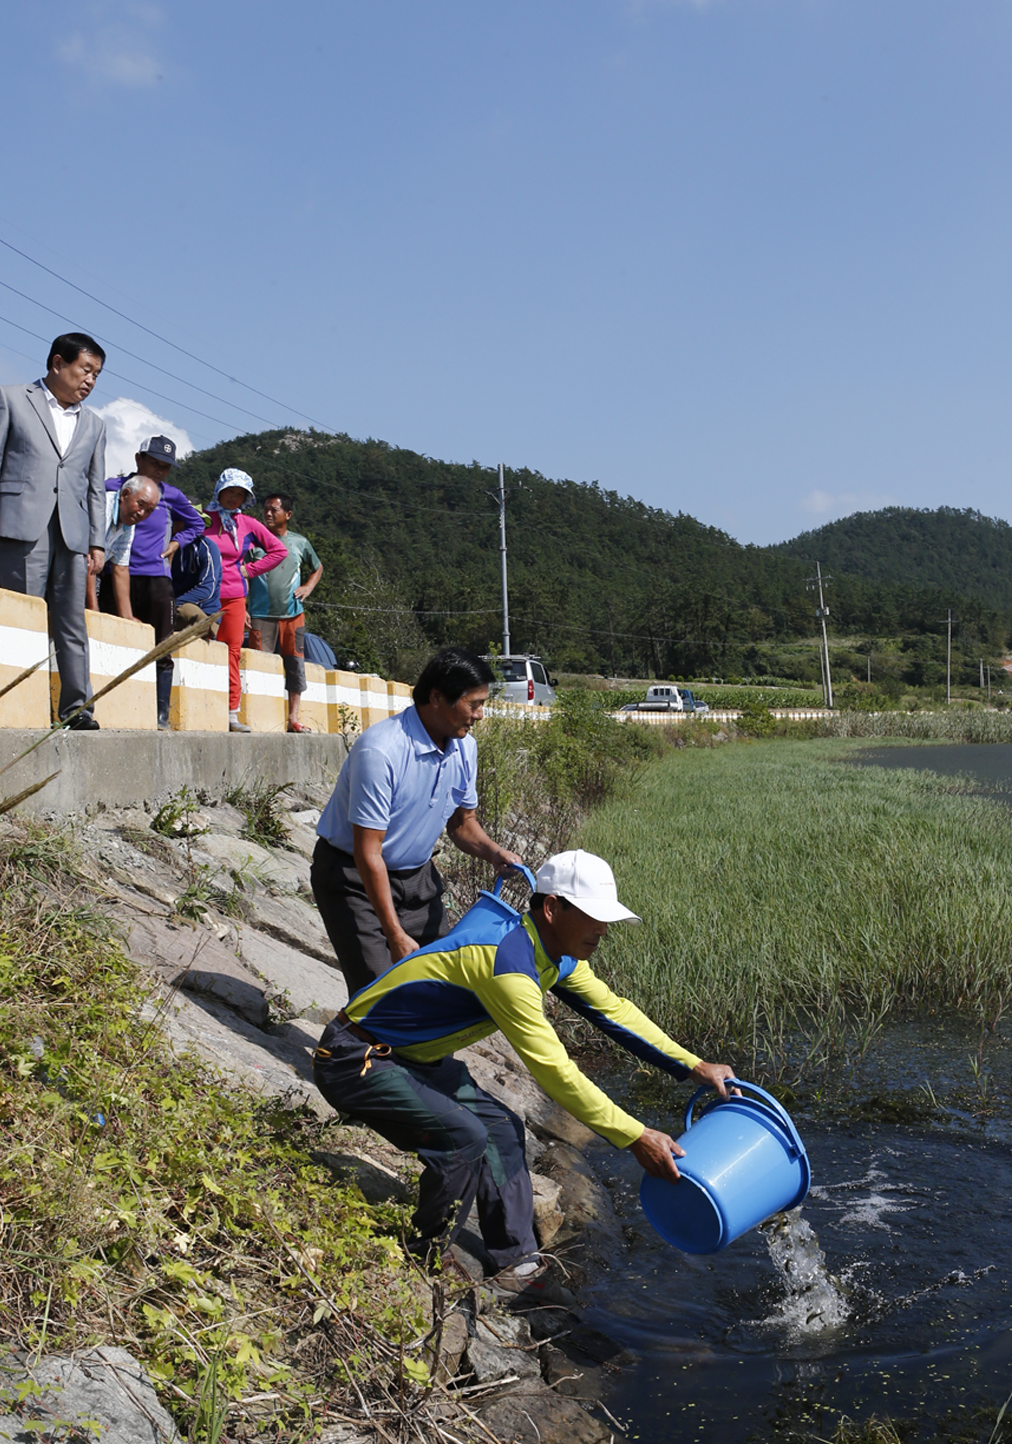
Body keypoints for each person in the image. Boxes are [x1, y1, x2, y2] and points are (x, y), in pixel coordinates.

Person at [313, 848, 739, 1287]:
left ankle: (515, 1263)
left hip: (413, 1060)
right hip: (356, 1058)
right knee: (464, 1137)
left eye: (607, 918)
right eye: (593, 916)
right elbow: (556, 1071)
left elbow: (615, 1012)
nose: (603, 929)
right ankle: (420, 1260)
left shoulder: (553, 952)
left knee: (500, 1128)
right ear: (552, 908)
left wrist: (695, 1065)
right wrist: (635, 1137)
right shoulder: (507, 964)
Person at [311, 646, 522, 995]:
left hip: (417, 879)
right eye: (474, 704)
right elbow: (369, 853)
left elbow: (462, 823)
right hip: (354, 879)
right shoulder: (382, 751)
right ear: (437, 697)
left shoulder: (463, 747)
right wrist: (394, 933)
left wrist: (493, 852)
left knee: (440, 988)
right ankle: (351, 1047)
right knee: (381, 995)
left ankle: (410, 1050)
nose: (481, 715)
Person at [0, 333, 107, 730]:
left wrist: (96, 541)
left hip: (73, 533)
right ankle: (20, 703)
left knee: (71, 623)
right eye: (85, 369)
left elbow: (94, 487)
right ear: (57, 364)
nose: (90, 381)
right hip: (19, 524)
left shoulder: (95, 424)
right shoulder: (11, 398)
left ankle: (78, 709)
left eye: (96, 375)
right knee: (23, 616)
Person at [101, 436, 205, 728]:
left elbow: (197, 524)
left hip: (157, 579)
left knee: (162, 645)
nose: (159, 471)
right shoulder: (114, 488)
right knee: (114, 638)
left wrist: (176, 542)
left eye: (166, 467)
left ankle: (161, 712)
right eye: (154, 463)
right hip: (116, 575)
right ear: (139, 459)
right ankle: (114, 704)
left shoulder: (171, 496)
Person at [199, 469, 287, 732]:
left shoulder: (247, 524)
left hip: (234, 596)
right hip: (203, 593)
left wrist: (248, 570)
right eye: (230, 492)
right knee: (201, 646)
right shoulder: (201, 516)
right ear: (219, 490)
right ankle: (201, 704)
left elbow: (278, 551)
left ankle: (230, 712)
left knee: (232, 652)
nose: (234, 498)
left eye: (241, 494)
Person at [248, 492, 323, 733]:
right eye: (266, 509)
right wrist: (242, 606)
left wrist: (308, 587)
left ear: (288, 515)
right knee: (259, 667)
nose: (268, 513)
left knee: (295, 665)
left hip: (293, 614)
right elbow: (237, 571)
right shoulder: (253, 541)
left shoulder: (299, 542)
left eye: (274, 510)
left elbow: (318, 567)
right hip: (260, 614)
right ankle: (258, 716)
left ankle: (294, 718)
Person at [99, 475, 163, 618]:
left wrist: (127, 618)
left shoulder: (129, 523)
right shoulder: (102, 508)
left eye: (148, 511)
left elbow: (121, 568)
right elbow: (89, 559)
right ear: (125, 494)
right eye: (140, 504)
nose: (142, 513)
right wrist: (92, 610)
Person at [171, 527, 223, 633]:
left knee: (186, 612)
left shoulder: (207, 547)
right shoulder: (166, 545)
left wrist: (172, 604)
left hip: (204, 612)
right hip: (171, 605)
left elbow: (206, 589)